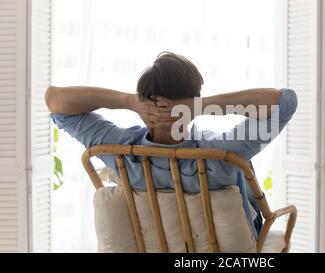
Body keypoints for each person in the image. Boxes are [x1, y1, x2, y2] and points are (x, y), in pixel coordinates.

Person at [45, 52, 298, 239]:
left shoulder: (122, 153)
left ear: (144, 102)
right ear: (193, 99)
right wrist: (199, 106)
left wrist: (129, 102)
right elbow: (285, 102)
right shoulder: (221, 153)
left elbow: (55, 102)